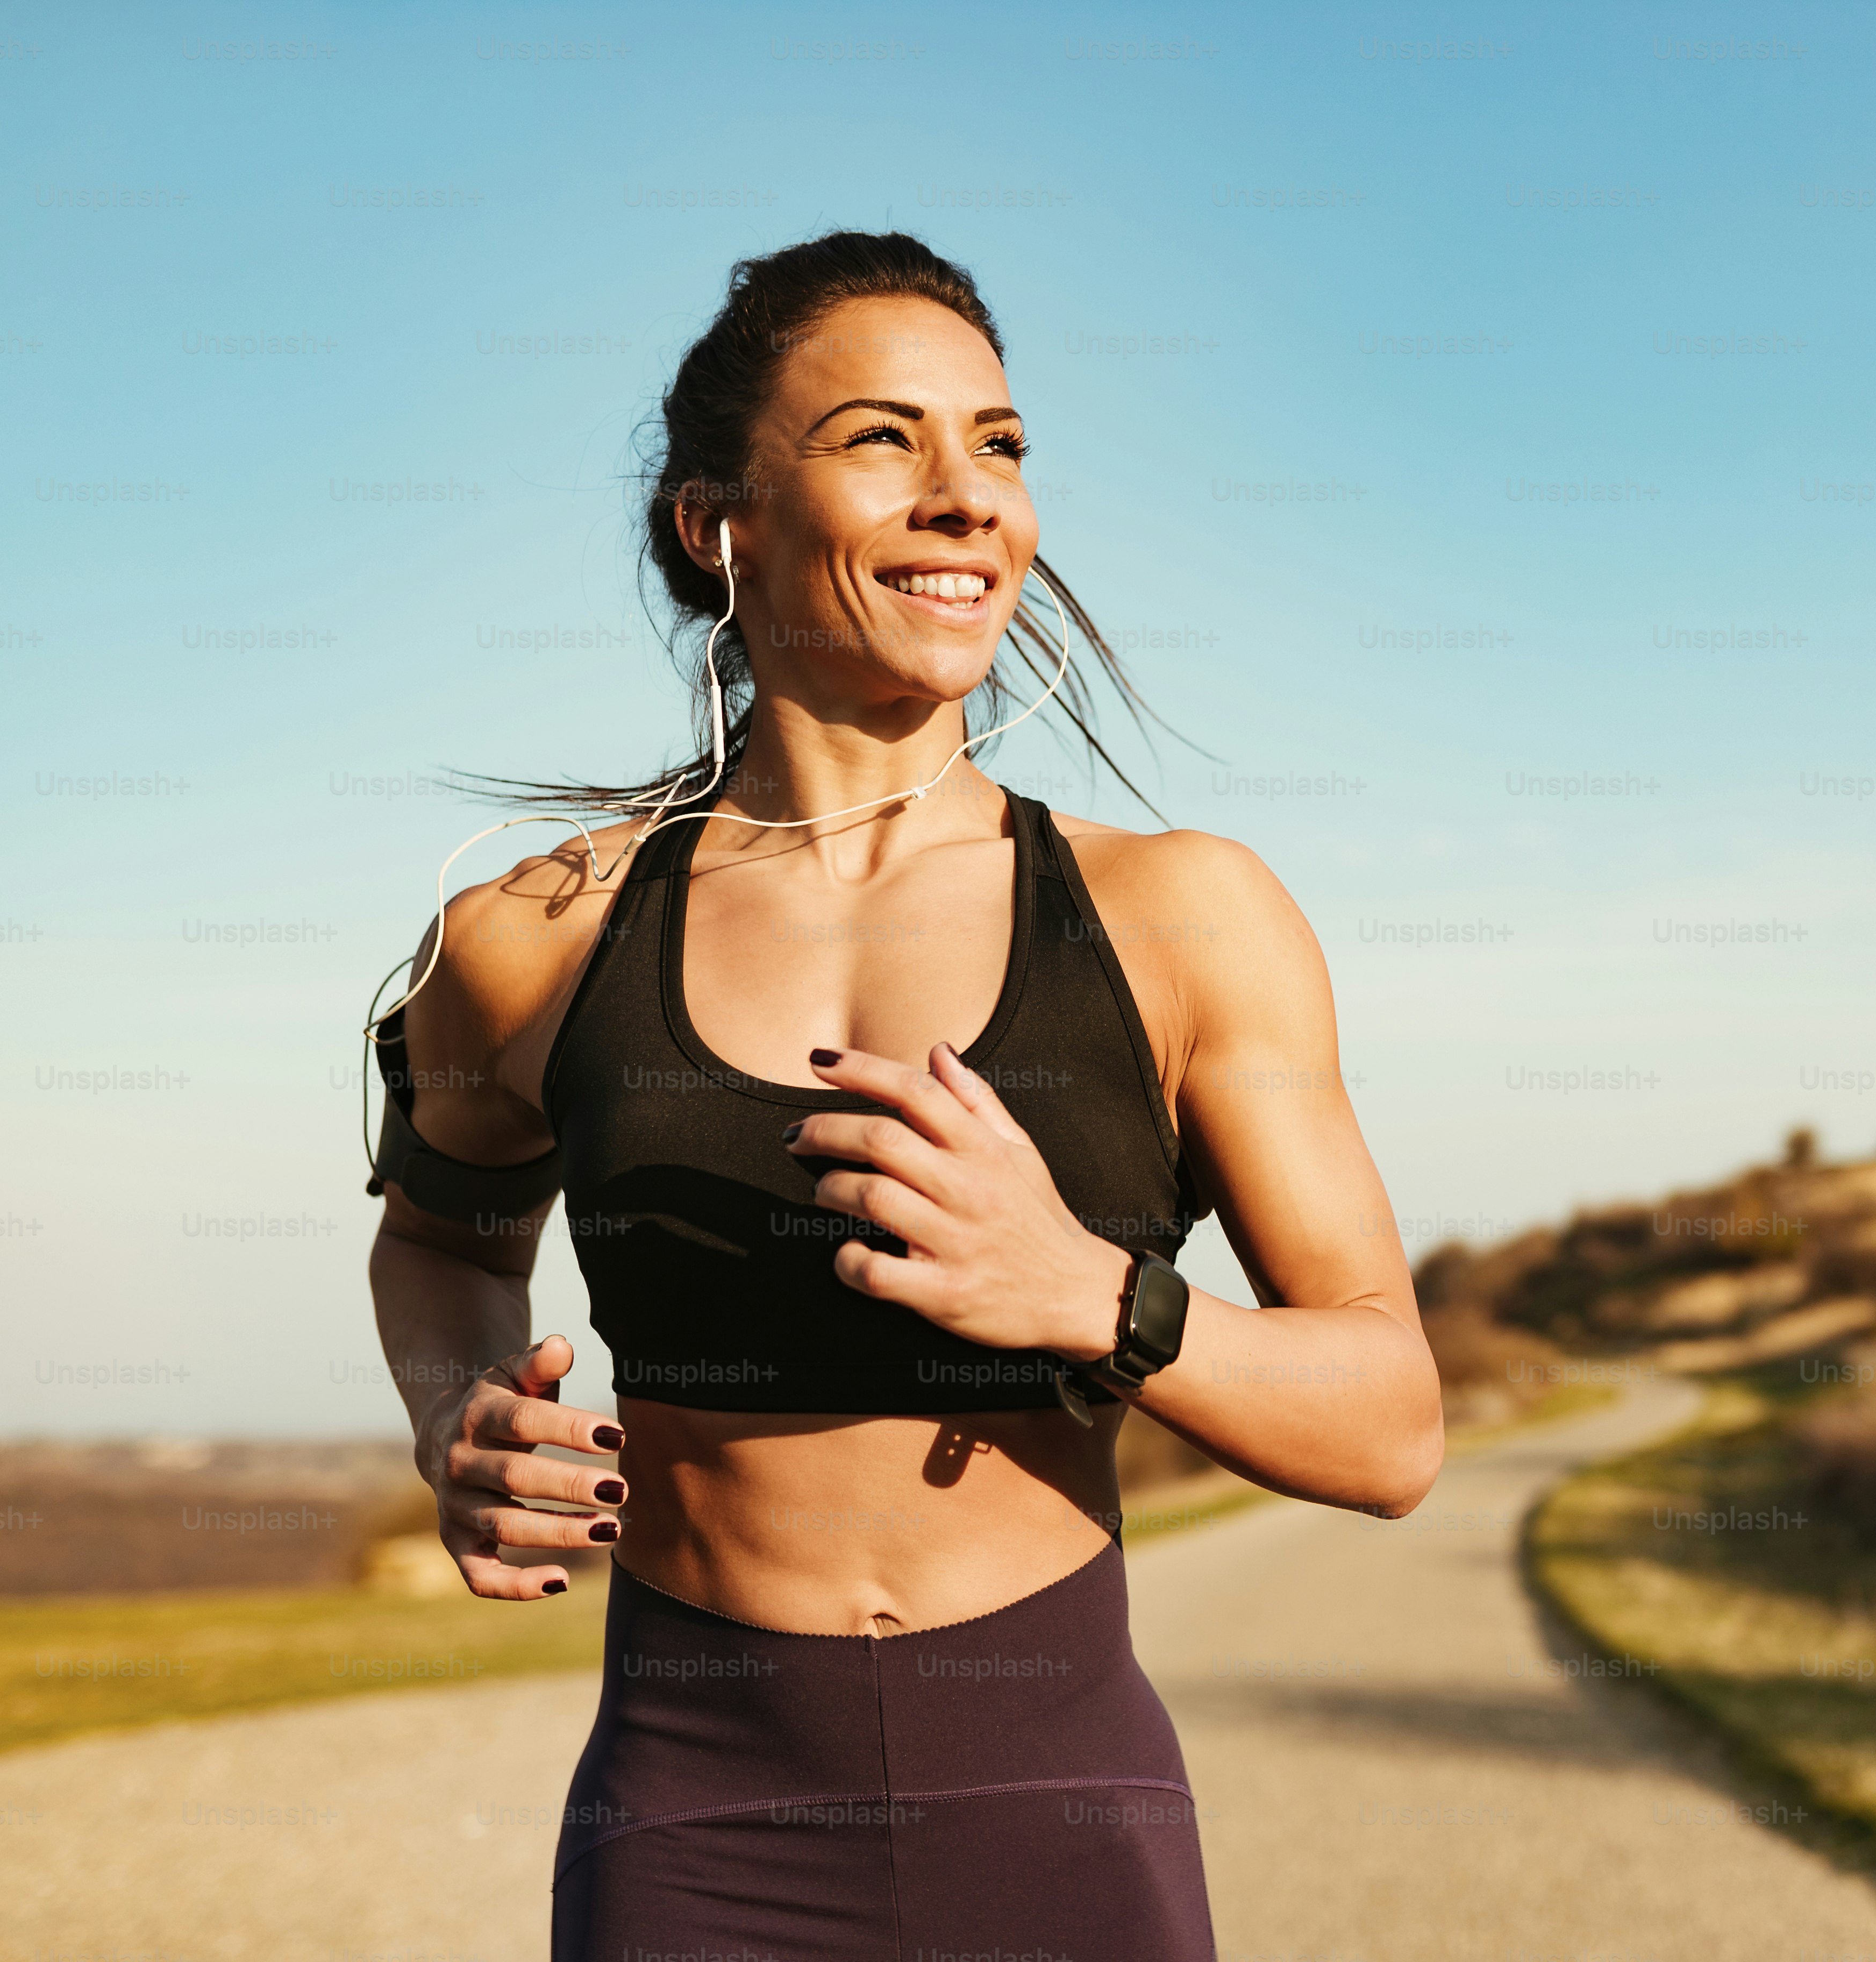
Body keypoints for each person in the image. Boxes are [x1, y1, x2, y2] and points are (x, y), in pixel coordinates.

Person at [363, 231, 1443, 1960]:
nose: (968, 499)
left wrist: (1093, 1294)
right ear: (716, 519)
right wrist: (456, 1420)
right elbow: (441, 1246)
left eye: (1000, 446)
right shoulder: (526, 939)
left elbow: (1392, 1426)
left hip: (1058, 1807)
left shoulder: (1185, 917)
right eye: (882, 438)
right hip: (694, 1822)